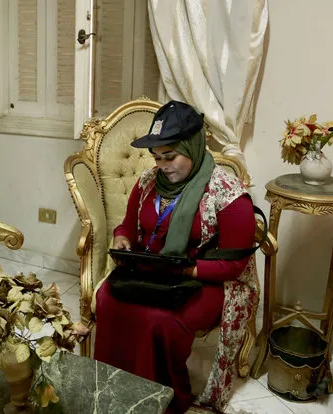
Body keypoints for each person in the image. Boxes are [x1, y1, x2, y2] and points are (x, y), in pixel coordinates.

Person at [92, 101, 259, 413]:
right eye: (157, 158)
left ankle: (165, 399)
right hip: (156, 272)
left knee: (161, 322)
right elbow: (128, 223)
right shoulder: (147, 182)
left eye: (170, 156)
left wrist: (185, 272)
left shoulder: (227, 191)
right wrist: (122, 236)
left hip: (207, 280)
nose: (162, 165)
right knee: (108, 299)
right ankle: (118, 388)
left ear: (193, 147)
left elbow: (234, 265)